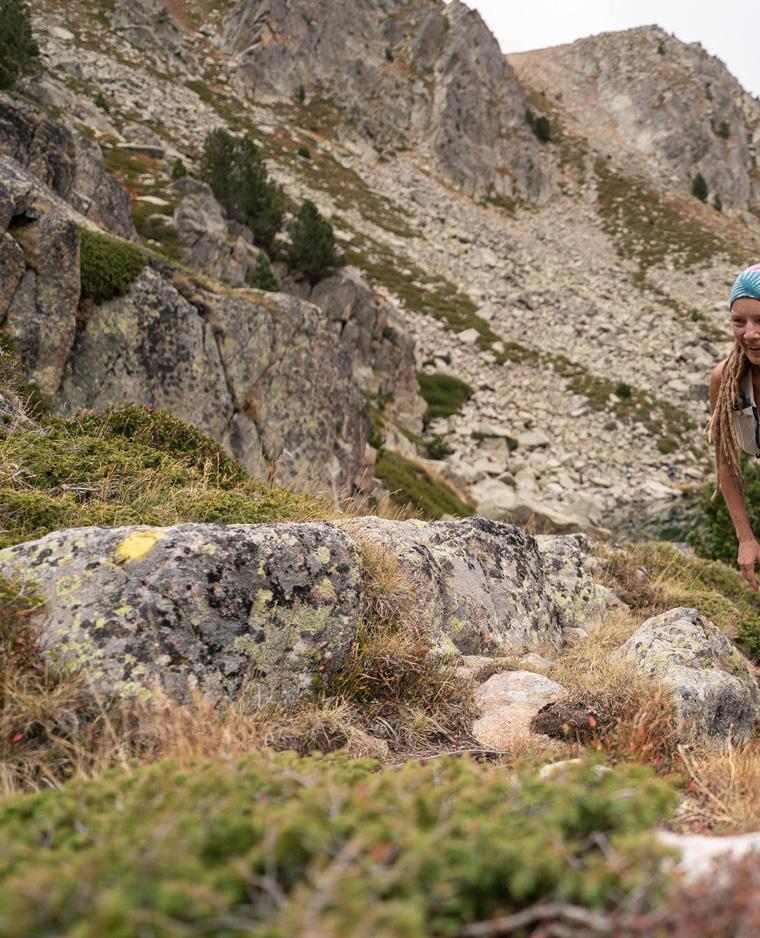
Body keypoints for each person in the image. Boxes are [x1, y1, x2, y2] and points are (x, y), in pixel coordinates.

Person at [707, 264, 760, 590]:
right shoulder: (726, 380)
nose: (749, 334)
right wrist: (746, 538)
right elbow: (726, 461)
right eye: (739, 321)